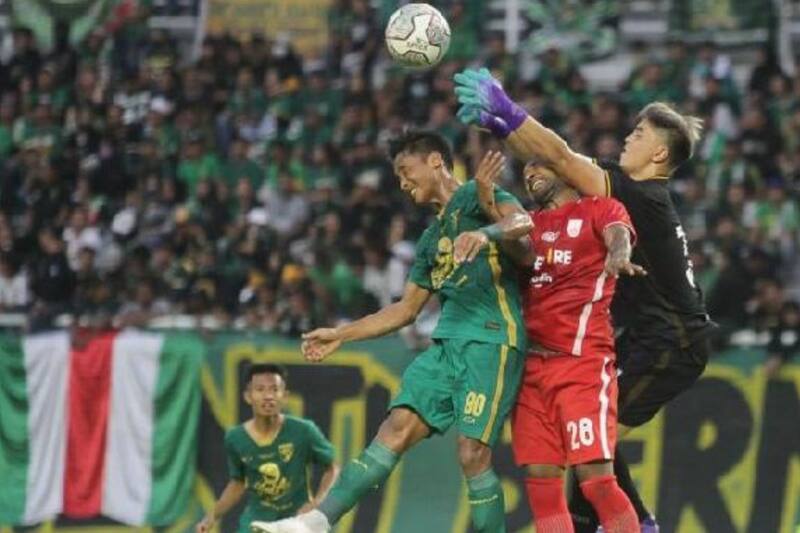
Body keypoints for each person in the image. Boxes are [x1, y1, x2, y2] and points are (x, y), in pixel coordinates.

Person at [453, 68, 717, 532]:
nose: (628, 138)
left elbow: (558, 155)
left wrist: (510, 111)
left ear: (659, 154)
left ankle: (641, 525)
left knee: (595, 448)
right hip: (646, 336)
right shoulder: (623, 186)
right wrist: (505, 130)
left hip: (672, 341)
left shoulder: (643, 197)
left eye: (639, 133)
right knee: (588, 452)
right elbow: (557, 161)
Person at [251, 131, 529, 533]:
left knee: (472, 454)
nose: (401, 182)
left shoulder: (476, 195)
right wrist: (341, 334)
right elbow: (405, 310)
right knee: (395, 427)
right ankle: (316, 522)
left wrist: (485, 229)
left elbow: (523, 223)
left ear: (435, 160)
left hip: (490, 339)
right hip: (445, 347)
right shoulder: (430, 239)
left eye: (405, 170)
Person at [460, 159, 643, 532]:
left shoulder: (599, 208)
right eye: (525, 169)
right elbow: (520, 251)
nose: (529, 173)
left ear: (566, 168)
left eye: (539, 164)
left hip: (581, 364)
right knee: (541, 484)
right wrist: (487, 203)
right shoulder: (530, 223)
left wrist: (619, 253)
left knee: (596, 481)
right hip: (530, 370)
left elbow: (618, 234)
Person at [195, 364, 340, 533]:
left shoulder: (304, 431)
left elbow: (332, 466)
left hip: (296, 522)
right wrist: (212, 516)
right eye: (260, 390)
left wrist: (318, 502)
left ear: (284, 396)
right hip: (256, 522)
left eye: (274, 389)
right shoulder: (235, 438)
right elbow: (238, 482)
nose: (268, 396)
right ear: (248, 396)